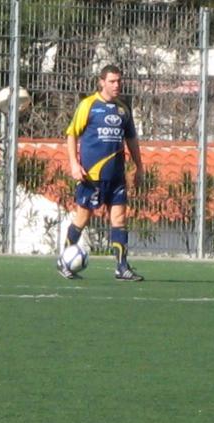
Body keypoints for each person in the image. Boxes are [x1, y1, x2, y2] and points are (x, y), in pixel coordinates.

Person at [59, 64, 145, 281]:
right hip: (91, 177)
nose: (117, 85)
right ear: (102, 82)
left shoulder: (123, 110)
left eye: (119, 81)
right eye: (112, 81)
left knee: (119, 219)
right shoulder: (88, 105)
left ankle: (122, 267)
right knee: (82, 217)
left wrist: (138, 166)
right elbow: (71, 134)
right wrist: (74, 164)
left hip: (116, 176)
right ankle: (64, 260)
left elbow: (131, 140)